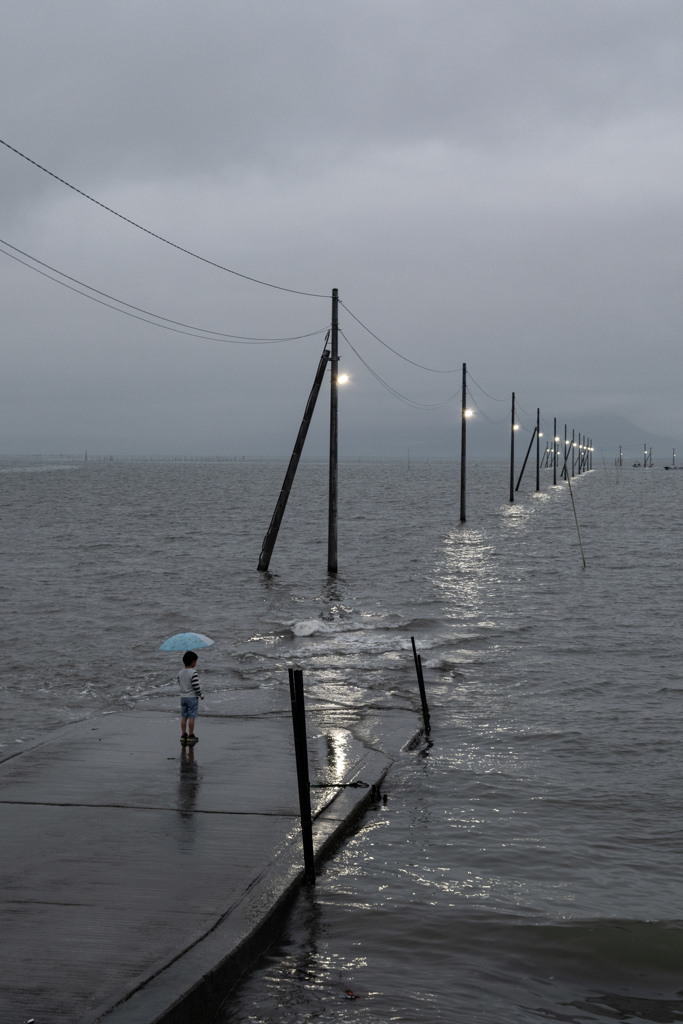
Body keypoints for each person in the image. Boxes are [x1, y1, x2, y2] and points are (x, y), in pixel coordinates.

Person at [178, 650, 203, 745]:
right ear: (193, 661)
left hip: (183, 697)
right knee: (192, 716)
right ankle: (191, 735)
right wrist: (200, 694)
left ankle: (183, 734)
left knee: (184, 716)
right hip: (192, 697)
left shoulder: (180, 672)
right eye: (195, 661)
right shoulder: (193, 672)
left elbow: (180, 683)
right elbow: (196, 685)